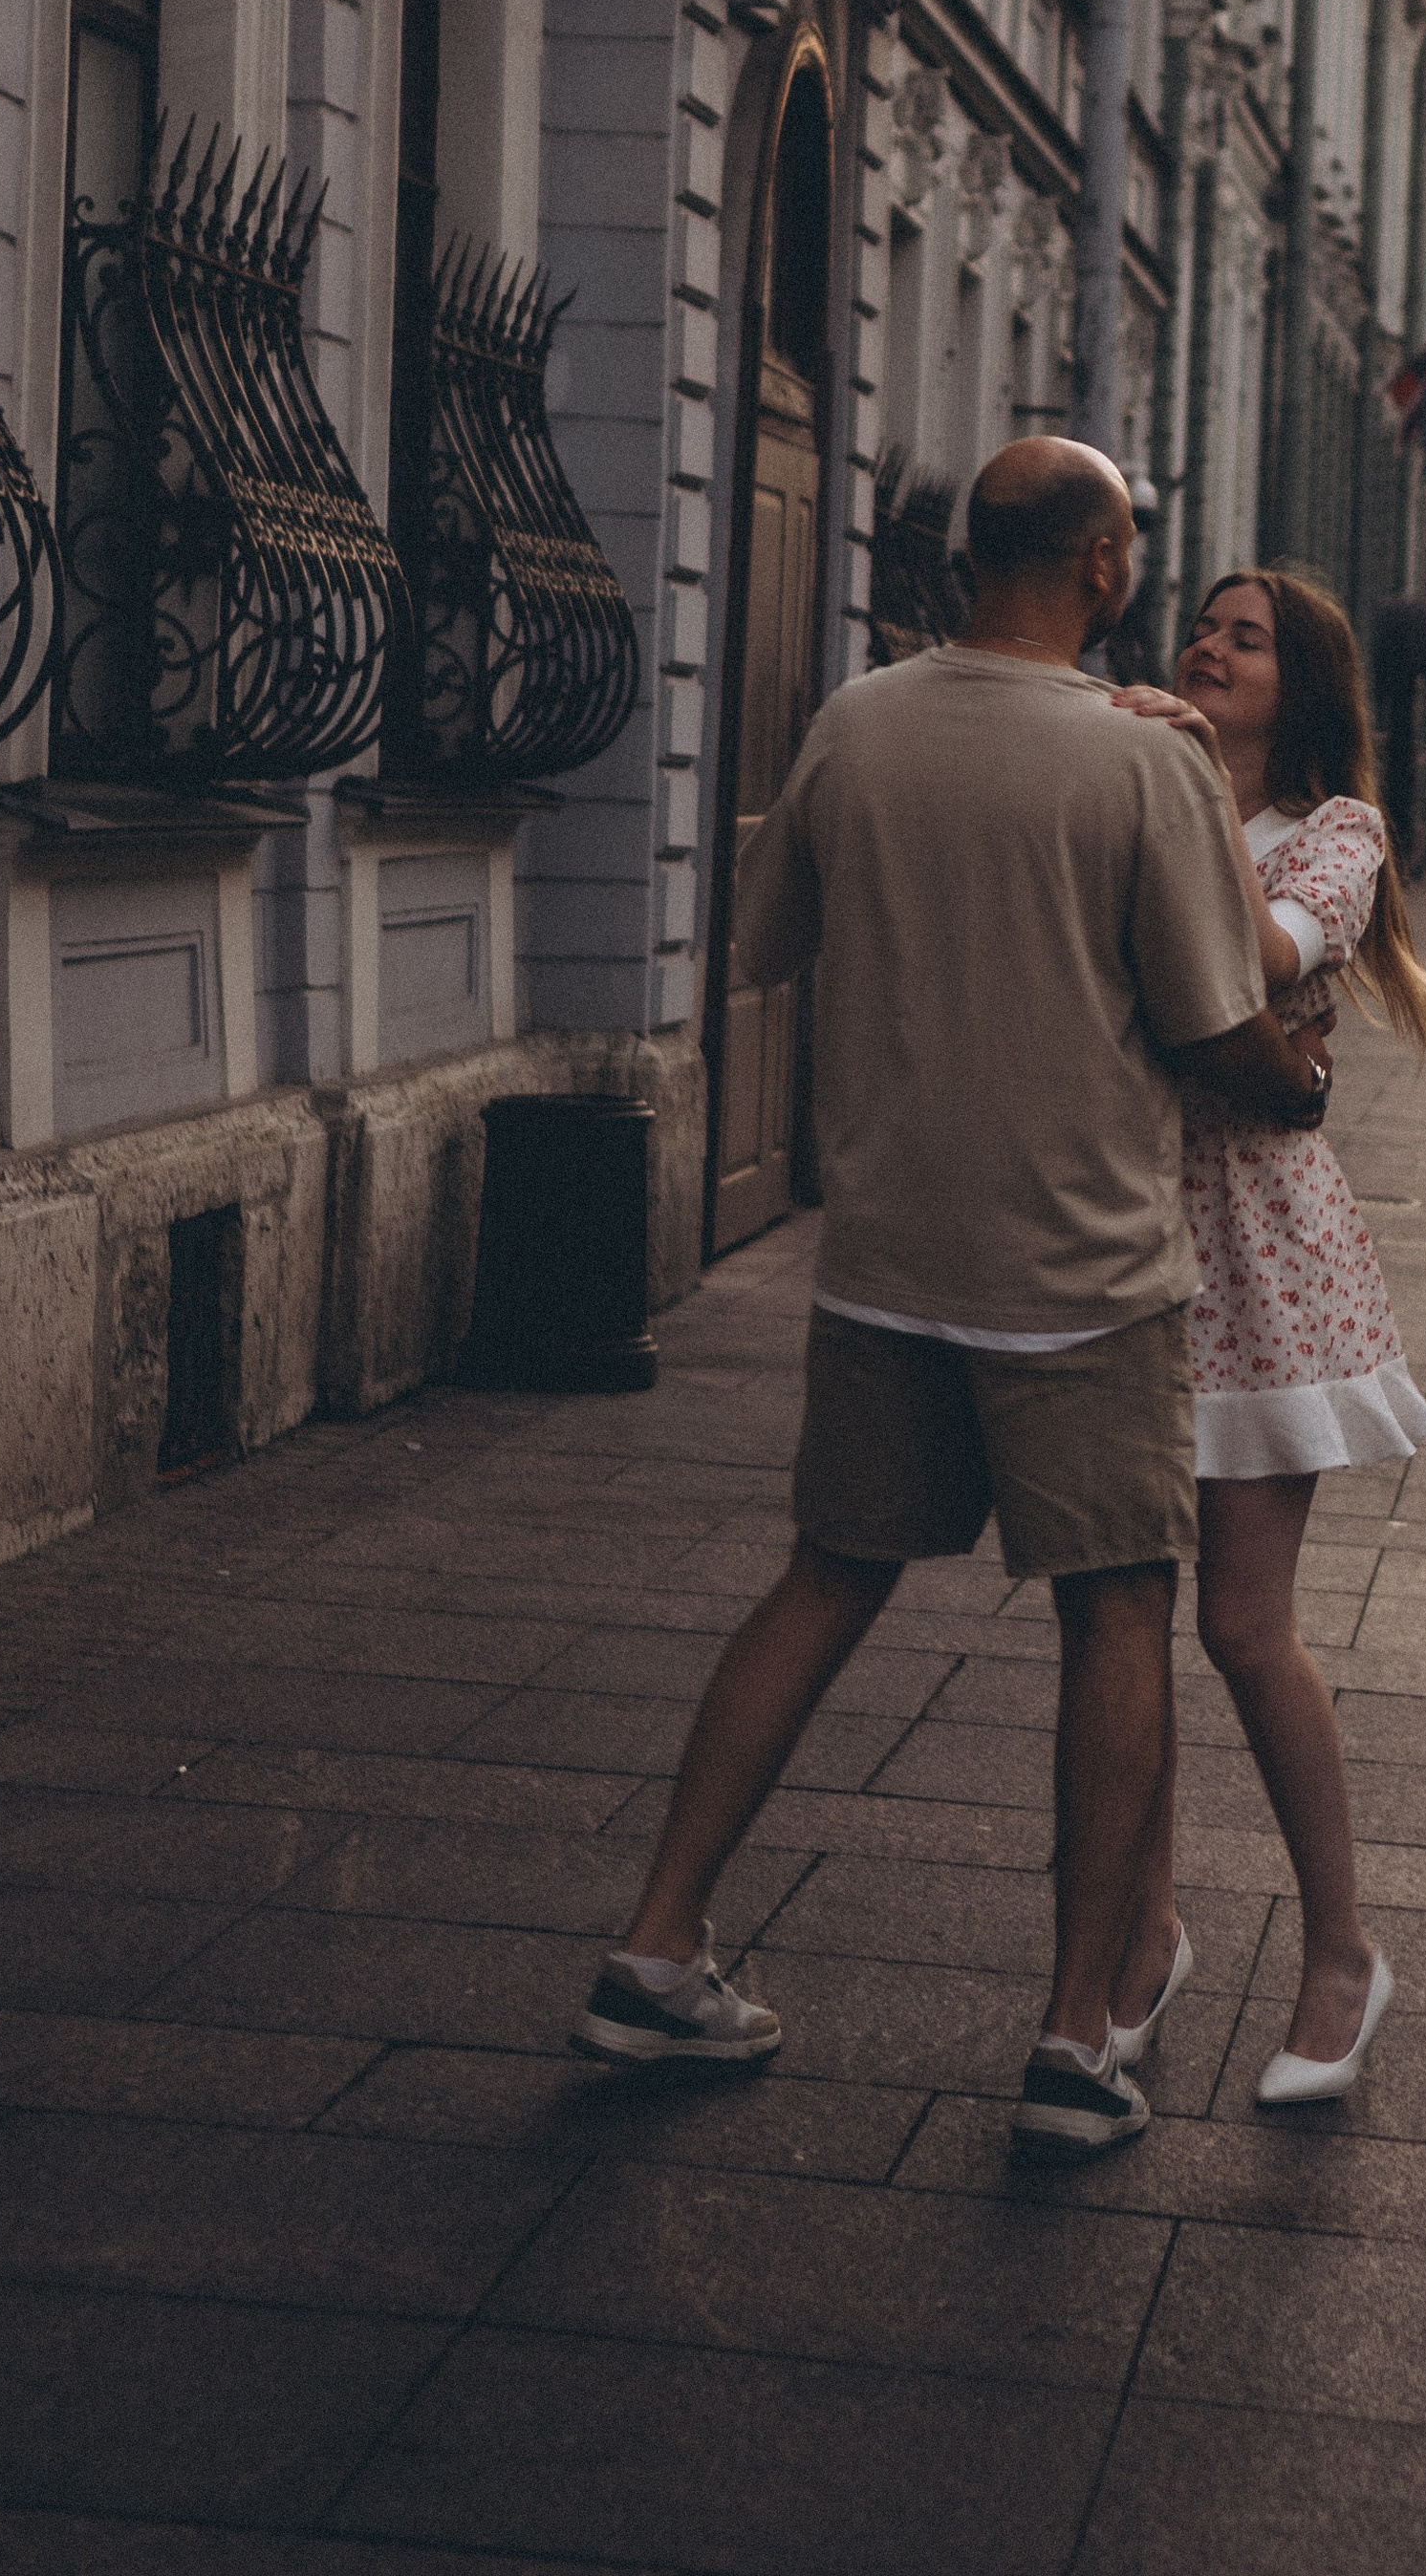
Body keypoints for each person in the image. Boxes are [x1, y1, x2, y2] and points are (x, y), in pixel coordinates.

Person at [570, 442, 1335, 2157]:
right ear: (1107, 566)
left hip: (889, 1258)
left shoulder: (858, 722)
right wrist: (1298, 1085)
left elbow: (769, 945)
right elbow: (1219, 1027)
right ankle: (1075, 2039)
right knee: (1117, 1611)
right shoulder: (1141, 764)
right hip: (1083, 1268)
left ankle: (657, 1944)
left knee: (828, 1580)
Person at [1104, 567, 1426, 2104]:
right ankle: (1143, 1936)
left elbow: (1254, 964)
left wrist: (1175, 788)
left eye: (1244, 639)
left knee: (1242, 1626)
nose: (1207, 648)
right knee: (1114, 1623)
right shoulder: (1145, 785)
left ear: (1300, 687)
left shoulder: (1339, 833)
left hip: (1262, 1264)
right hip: (1114, 1234)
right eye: (1201, 627)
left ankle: (1340, 1953)